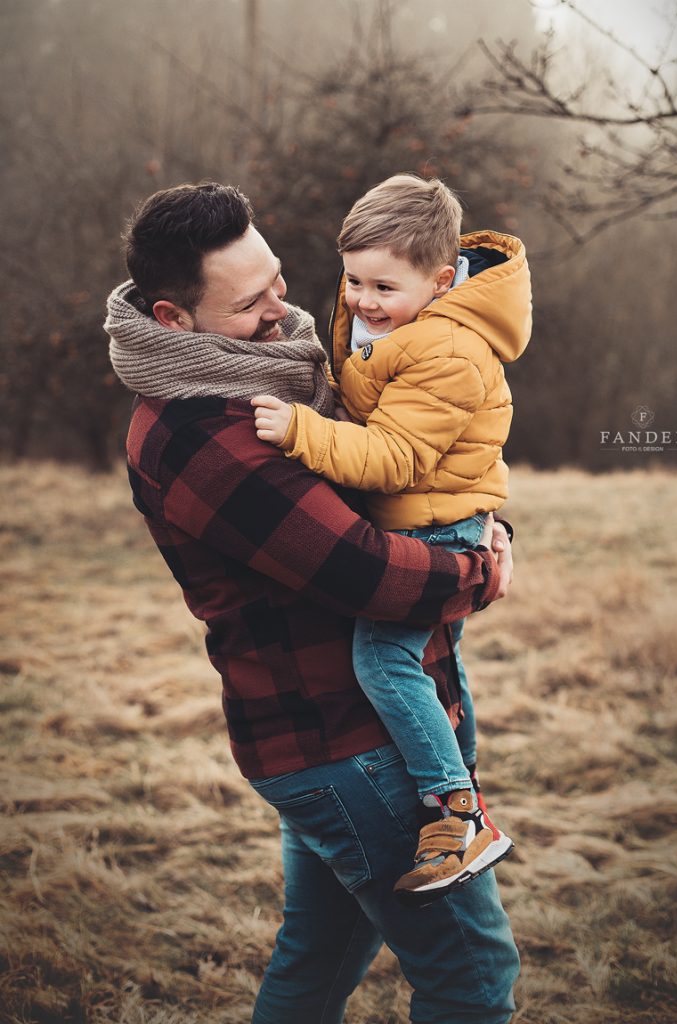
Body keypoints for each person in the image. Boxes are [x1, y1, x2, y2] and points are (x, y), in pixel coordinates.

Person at [104, 181, 519, 1024]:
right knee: (473, 976)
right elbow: (364, 571)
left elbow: (407, 459)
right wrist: (478, 570)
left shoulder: (278, 371)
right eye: (251, 301)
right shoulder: (202, 434)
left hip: (345, 729)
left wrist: (472, 514)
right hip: (341, 740)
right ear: (173, 319)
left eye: (280, 280)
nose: (282, 309)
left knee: (320, 956)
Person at [252, 174, 532, 903]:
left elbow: (394, 457)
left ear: (441, 282)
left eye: (382, 286)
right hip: (424, 514)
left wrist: (300, 432)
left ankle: (457, 810)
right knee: (425, 653)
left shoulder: (448, 352)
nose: (361, 300)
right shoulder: (392, 319)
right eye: (352, 280)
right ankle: (459, 775)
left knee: (381, 659)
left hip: (437, 525)